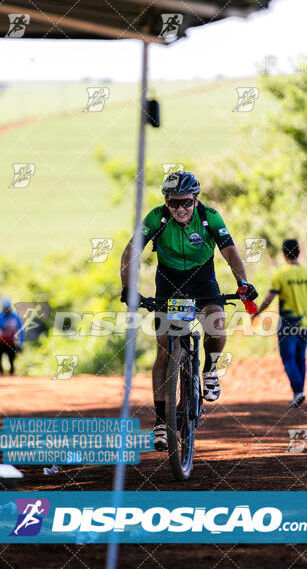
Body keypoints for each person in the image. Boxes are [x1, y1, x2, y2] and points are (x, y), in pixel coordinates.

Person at [120, 171, 257, 449]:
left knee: (216, 326)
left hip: (202, 279)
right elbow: (130, 252)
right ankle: (161, 421)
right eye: (173, 203)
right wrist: (128, 289)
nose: (180, 209)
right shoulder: (156, 218)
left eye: (186, 202)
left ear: (196, 199)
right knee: (163, 348)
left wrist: (242, 283)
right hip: (169, 283)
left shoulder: (210, 217)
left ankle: (209, 371)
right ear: (166, 202)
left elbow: (229, 251)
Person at [252, 239, 307, 408]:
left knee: (288, 359)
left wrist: (257, 312)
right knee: (300, 358)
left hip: (286, 325)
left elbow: (269, 299)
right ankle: (299, 392)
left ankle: (298, 391)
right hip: (305, 324)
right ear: (299, 252)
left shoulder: (281, 275)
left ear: (284, 253)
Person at [0, 297, 24, 376]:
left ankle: (11, 373)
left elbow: (21, 330)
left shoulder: (15, 317)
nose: (6, 311)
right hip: (0, 342)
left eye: (8, 309)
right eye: (5, 309)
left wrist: (21, 344)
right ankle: (0, 374)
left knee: (12, 359)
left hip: (11, 342)